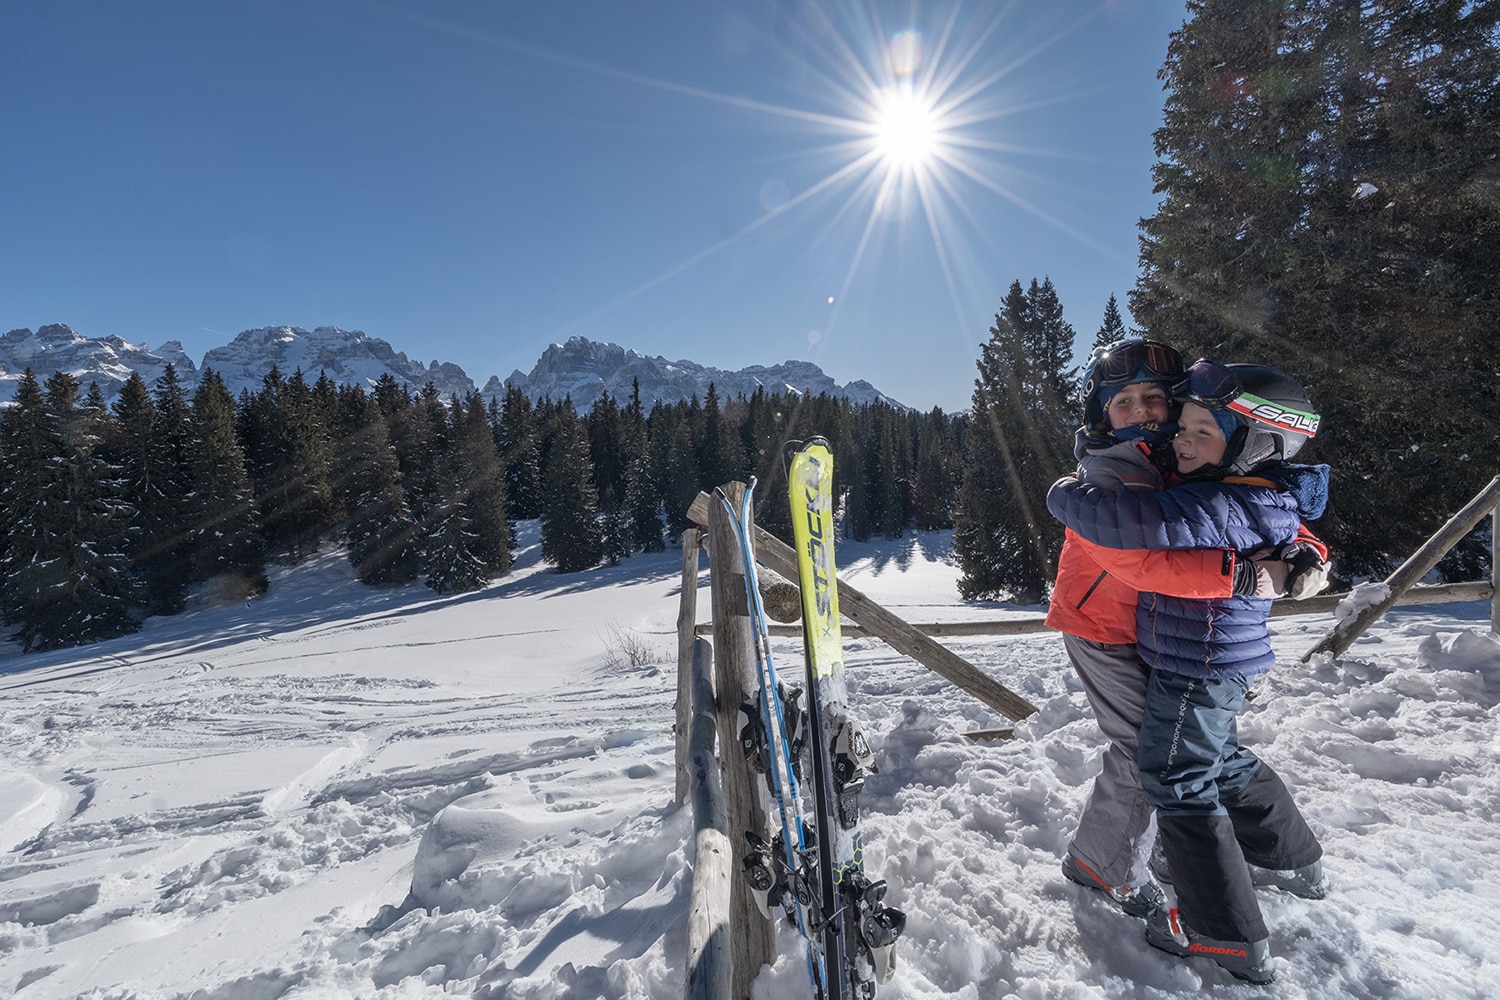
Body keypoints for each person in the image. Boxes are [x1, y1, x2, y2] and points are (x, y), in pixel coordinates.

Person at [1047, 360, 1332, 985]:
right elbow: (1135, 558)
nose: (1145, 410)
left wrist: (1307, 552)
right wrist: (1254, 575)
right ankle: (1105, 865)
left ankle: (1276, 858)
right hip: (1105, 625)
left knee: (1188, 753)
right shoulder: (1112, 465)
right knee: (1147, 752)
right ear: (1102, 412)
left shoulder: (1186, 454)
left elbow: (1260, 499)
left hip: (1174, 639)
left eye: (1155, 397)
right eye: (1125, 401)